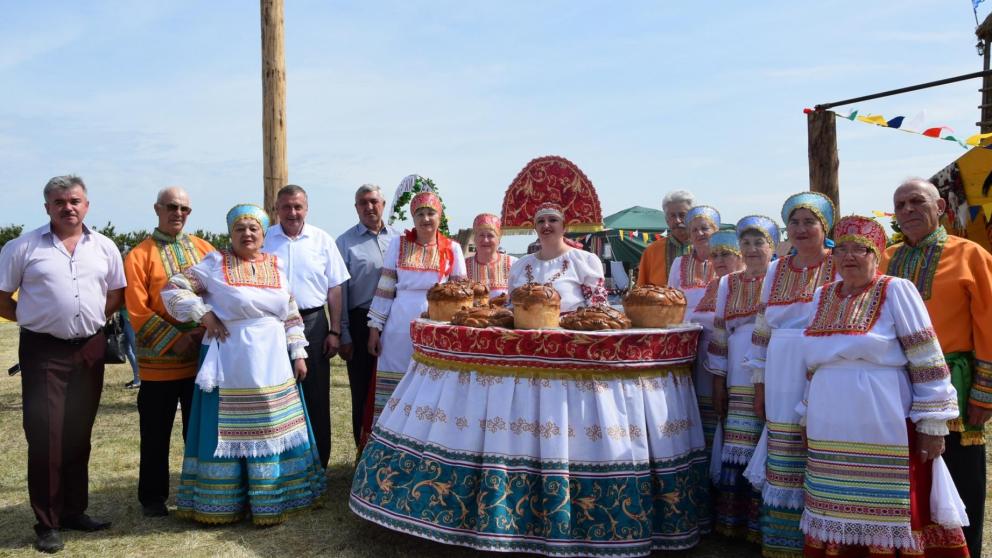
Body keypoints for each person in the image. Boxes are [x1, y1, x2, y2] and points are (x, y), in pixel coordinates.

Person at [798, 215, 969, 558]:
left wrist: (933, 421)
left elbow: (925, 356)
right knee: (836, 495)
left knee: (890, 497)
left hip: (882, 414)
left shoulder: (896, 290)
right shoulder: (821, 296)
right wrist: (805, 412)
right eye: (842, 249)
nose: (849, 256)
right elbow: (813, 364)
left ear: (876, 255)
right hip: (829, 416)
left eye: (860, 249)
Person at [161, 203, 325, 525]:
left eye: (253, 229)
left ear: (264, 235)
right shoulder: (214, 263)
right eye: (240, 229)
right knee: (232, 430)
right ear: (230, 234)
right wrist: (203, 314)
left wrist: (299, 352)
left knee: (272, 425)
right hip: (231, 358)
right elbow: (172, 287)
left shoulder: (276, 265)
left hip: (274, 359)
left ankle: (273, 499)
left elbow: (290, 310)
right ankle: (224, 503)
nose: (247, 234)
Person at [0, 175, 125, 553]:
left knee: (78, 433)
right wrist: (36, 318)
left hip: (89, 348)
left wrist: (86, 322)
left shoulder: (104, 247)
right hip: (43, 352)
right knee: (46, 436)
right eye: (59, 202)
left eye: (74, 200)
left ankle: (74, 510)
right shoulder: (22, 247)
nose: (67, 207)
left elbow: (116, 294)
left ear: (86, 205)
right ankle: (48, 521)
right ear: (47, 208)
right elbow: (2, 296)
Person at [884, 178, 992, 558]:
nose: (908, 210)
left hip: (957, 383)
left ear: (941, 207)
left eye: (917, 201)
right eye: (901, 205)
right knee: (910, 472)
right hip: (895, 384)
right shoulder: (885, 257)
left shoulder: (970, 255)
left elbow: (989, 323)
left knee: (960, 474)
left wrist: (985, 390)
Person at [747, 191, 837, 558]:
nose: (801, 229)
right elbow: (763, 325)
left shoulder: (837, 264)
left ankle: (824, 536)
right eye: (794, 223)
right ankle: (783, 542)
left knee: (820, 439)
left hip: (824, 364)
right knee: (783, 445)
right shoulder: (776, 268)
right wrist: (759, 383)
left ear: (824, 227)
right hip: (782, 368)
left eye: (809, 222)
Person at [123, 186, 215, 518]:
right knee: (155, 433)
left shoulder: (205, 250)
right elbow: (136, 308)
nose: (179, 213)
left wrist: (202, 331)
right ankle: (152, 497)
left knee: (200, 430)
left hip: (201, 363)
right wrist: (176, 339)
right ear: (157, 208)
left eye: (185, 209)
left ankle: (201, 490)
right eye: (172, 207)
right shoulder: (138, 255)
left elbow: (220, 293)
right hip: (158, 365)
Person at [361, 192, 466, 447]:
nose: (426, 218)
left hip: (436, 327)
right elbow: (386, 287)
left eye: (431, 213)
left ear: (440, 217)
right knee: (395, 383)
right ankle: (386, 446)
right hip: (399, 325)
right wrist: (375, 328)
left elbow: (461, 295)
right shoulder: (398, 244)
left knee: (431, 386)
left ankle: (426, 445)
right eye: (420, 214)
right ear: (413, 217)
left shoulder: (452, 248)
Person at [263, 184, 349, 469]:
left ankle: (318, 463)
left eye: (297, 206)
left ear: (306, 209)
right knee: (276, 395)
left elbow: (335, 288)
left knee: (315, 395)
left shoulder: (322, 240)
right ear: (276, 209)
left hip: (313, 323)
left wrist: (335, 331)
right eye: (286, 206)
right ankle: (282, 464)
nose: (292, 212)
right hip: (272, 326)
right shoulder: (263, 240)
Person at [708, 216, 779, 544]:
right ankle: (734, 524)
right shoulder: (728, 283)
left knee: (770, 442)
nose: (752, 249)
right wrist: (718, 382)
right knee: (739, 444)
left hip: (775, 369)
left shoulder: (780, 278)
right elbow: (720, 333)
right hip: (737, 371)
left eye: (759, 243)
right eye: (746, 244)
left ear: (772, 247)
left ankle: (765, 526)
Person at [336, 184, 400, 448]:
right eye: (363, 202)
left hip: (396, 324)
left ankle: (395, 450)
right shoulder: (344, 243)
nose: (369, 206)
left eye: (373, 201)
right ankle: (363, 452)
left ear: (383, 204)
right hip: (361, 323)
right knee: (363, 392)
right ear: (356, 208)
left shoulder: (400, 239)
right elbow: (340, 292)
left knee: (397, 389)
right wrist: (344, 334)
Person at [688, 229, 744, 453]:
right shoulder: (713, 284)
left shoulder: (743, 283)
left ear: (740, 255)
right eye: (715, 255)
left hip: (729, 359)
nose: (719, 260)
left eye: (726, 254)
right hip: (703, 359)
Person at [508, 202, 608, 311]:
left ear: (564, 227)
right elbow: (511, 307)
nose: (546, 225)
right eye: (541, 221)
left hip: (571, 326)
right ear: (535, 228)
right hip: (524, 327)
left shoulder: (584, 260)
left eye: (553, 220)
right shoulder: (520, 265)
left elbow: (598, 309)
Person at [637, 190, 694, 286]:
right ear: (667, 220)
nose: (677, 220)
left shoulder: (707, 249)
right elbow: (642, 290)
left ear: (693, 216)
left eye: (682, 215)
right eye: (672, 216)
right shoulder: (652, 251)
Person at [668, 205, 719, 310]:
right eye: (694, 230)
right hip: (686, 324)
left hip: (718, 325)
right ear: (690, 236)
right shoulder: (678, 263)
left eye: (704, 228)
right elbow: (671, 299)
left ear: (715, 231)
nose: (699, 233)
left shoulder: (726, 262)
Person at [465, 213, 517, 297]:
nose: (485, 240)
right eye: (481, 235)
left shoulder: (514, 263)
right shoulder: (464, 266)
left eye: (490, 236)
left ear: (499, 239)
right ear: (474, 239)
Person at [120, 307, 140, 388]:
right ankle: (137, 377)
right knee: (127, 350)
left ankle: (138, 380)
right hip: (121, 319)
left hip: (130, 319)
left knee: (135, 350)